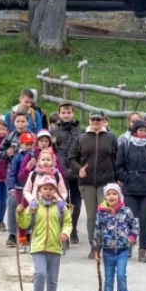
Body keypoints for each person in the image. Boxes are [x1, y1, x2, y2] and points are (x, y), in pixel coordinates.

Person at [17, 176, 72, 291]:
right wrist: (20, 213)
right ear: (39, 190)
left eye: (51, 188)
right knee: (40, 274)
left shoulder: (61, 207)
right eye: (45, 188)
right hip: (38, 246)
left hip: (55, 247)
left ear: (55, 190)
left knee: (52, 279)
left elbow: (68, 222)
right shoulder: (34, 205)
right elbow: (24, 224)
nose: (48, 191)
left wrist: (65, 233)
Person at [69, 110, 118, 259]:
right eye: (93, 120)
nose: (95, 122)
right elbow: (72, 158)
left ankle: (105, 244)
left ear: (103, 121)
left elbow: (117, 158)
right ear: (89, 120)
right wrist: (79, 169)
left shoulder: (110, 138)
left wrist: (117, 179)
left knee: (105, 214)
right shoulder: (81, 138)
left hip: (106, 182)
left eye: (98, 120)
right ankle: (94, 245)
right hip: (87, 182)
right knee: (92, 215)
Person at [93, 184, 138, 291]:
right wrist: (96, 249)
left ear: (119, 196)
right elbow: (97, 231)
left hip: (123, 250)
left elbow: (134, 226)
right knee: (108, 280)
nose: (111, 196)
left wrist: (131, 238)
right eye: (109, 194)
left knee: (121, 277)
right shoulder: (102, 213)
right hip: (108, 251)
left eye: (114, 194)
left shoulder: (126, 211)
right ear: (105, 196)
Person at [116, 119, 146, 263]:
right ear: (135, 131)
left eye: (145, 131)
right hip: (130, 189)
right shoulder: (126, 145)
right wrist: (127, 177)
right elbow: (119, 166)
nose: (143, 133)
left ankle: (142, 251)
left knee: (145, 220)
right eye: (140, 130)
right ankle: (128, 246)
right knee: (131, 219)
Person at [52, 102, 83, 244]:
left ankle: (74, 228)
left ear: (73, 113)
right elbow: (51, 149)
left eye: (68, 112)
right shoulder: (54, 131)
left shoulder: (80, 131)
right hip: (61, 171)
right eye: (63, 113)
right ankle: (65, 231)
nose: (66, 115)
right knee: (62, 202)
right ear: (59, 114)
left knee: (76, 202)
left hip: (76, 170)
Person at [0, 113, 30, 246]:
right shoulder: (9, 137)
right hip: (12, 177)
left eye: (23, 121)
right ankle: (12, 234)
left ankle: (27, 234)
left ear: (28, 123)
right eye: (18, 121)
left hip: (29, 179)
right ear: (14, 123)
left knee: (28, 206)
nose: (21, 124)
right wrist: (6, 153)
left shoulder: (31, 137)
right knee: (13, 204)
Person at [9, 132, 37, 252]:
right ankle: (22, 240)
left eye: (31, 144)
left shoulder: (36, 156)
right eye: (27, 144)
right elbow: (12, 173)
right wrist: (11, 187)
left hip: (33, 189)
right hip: (20, 188)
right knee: (22, 213)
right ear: (21, 144)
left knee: (34, 213)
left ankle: (33, 237)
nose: (29, 146)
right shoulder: (17, 157)